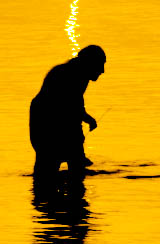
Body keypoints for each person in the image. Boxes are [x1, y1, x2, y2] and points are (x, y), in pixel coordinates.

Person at [30, 45, 106, 178]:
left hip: (56, 116)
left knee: (72, 164)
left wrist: (85, 120)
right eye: (100, 65)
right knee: (49, 164)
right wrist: (84, 123)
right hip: (44, 119)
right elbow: (68, 106)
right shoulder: (68, 75)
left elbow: (76, 104)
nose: (103, 71)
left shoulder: (81, 75)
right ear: (89, 63)